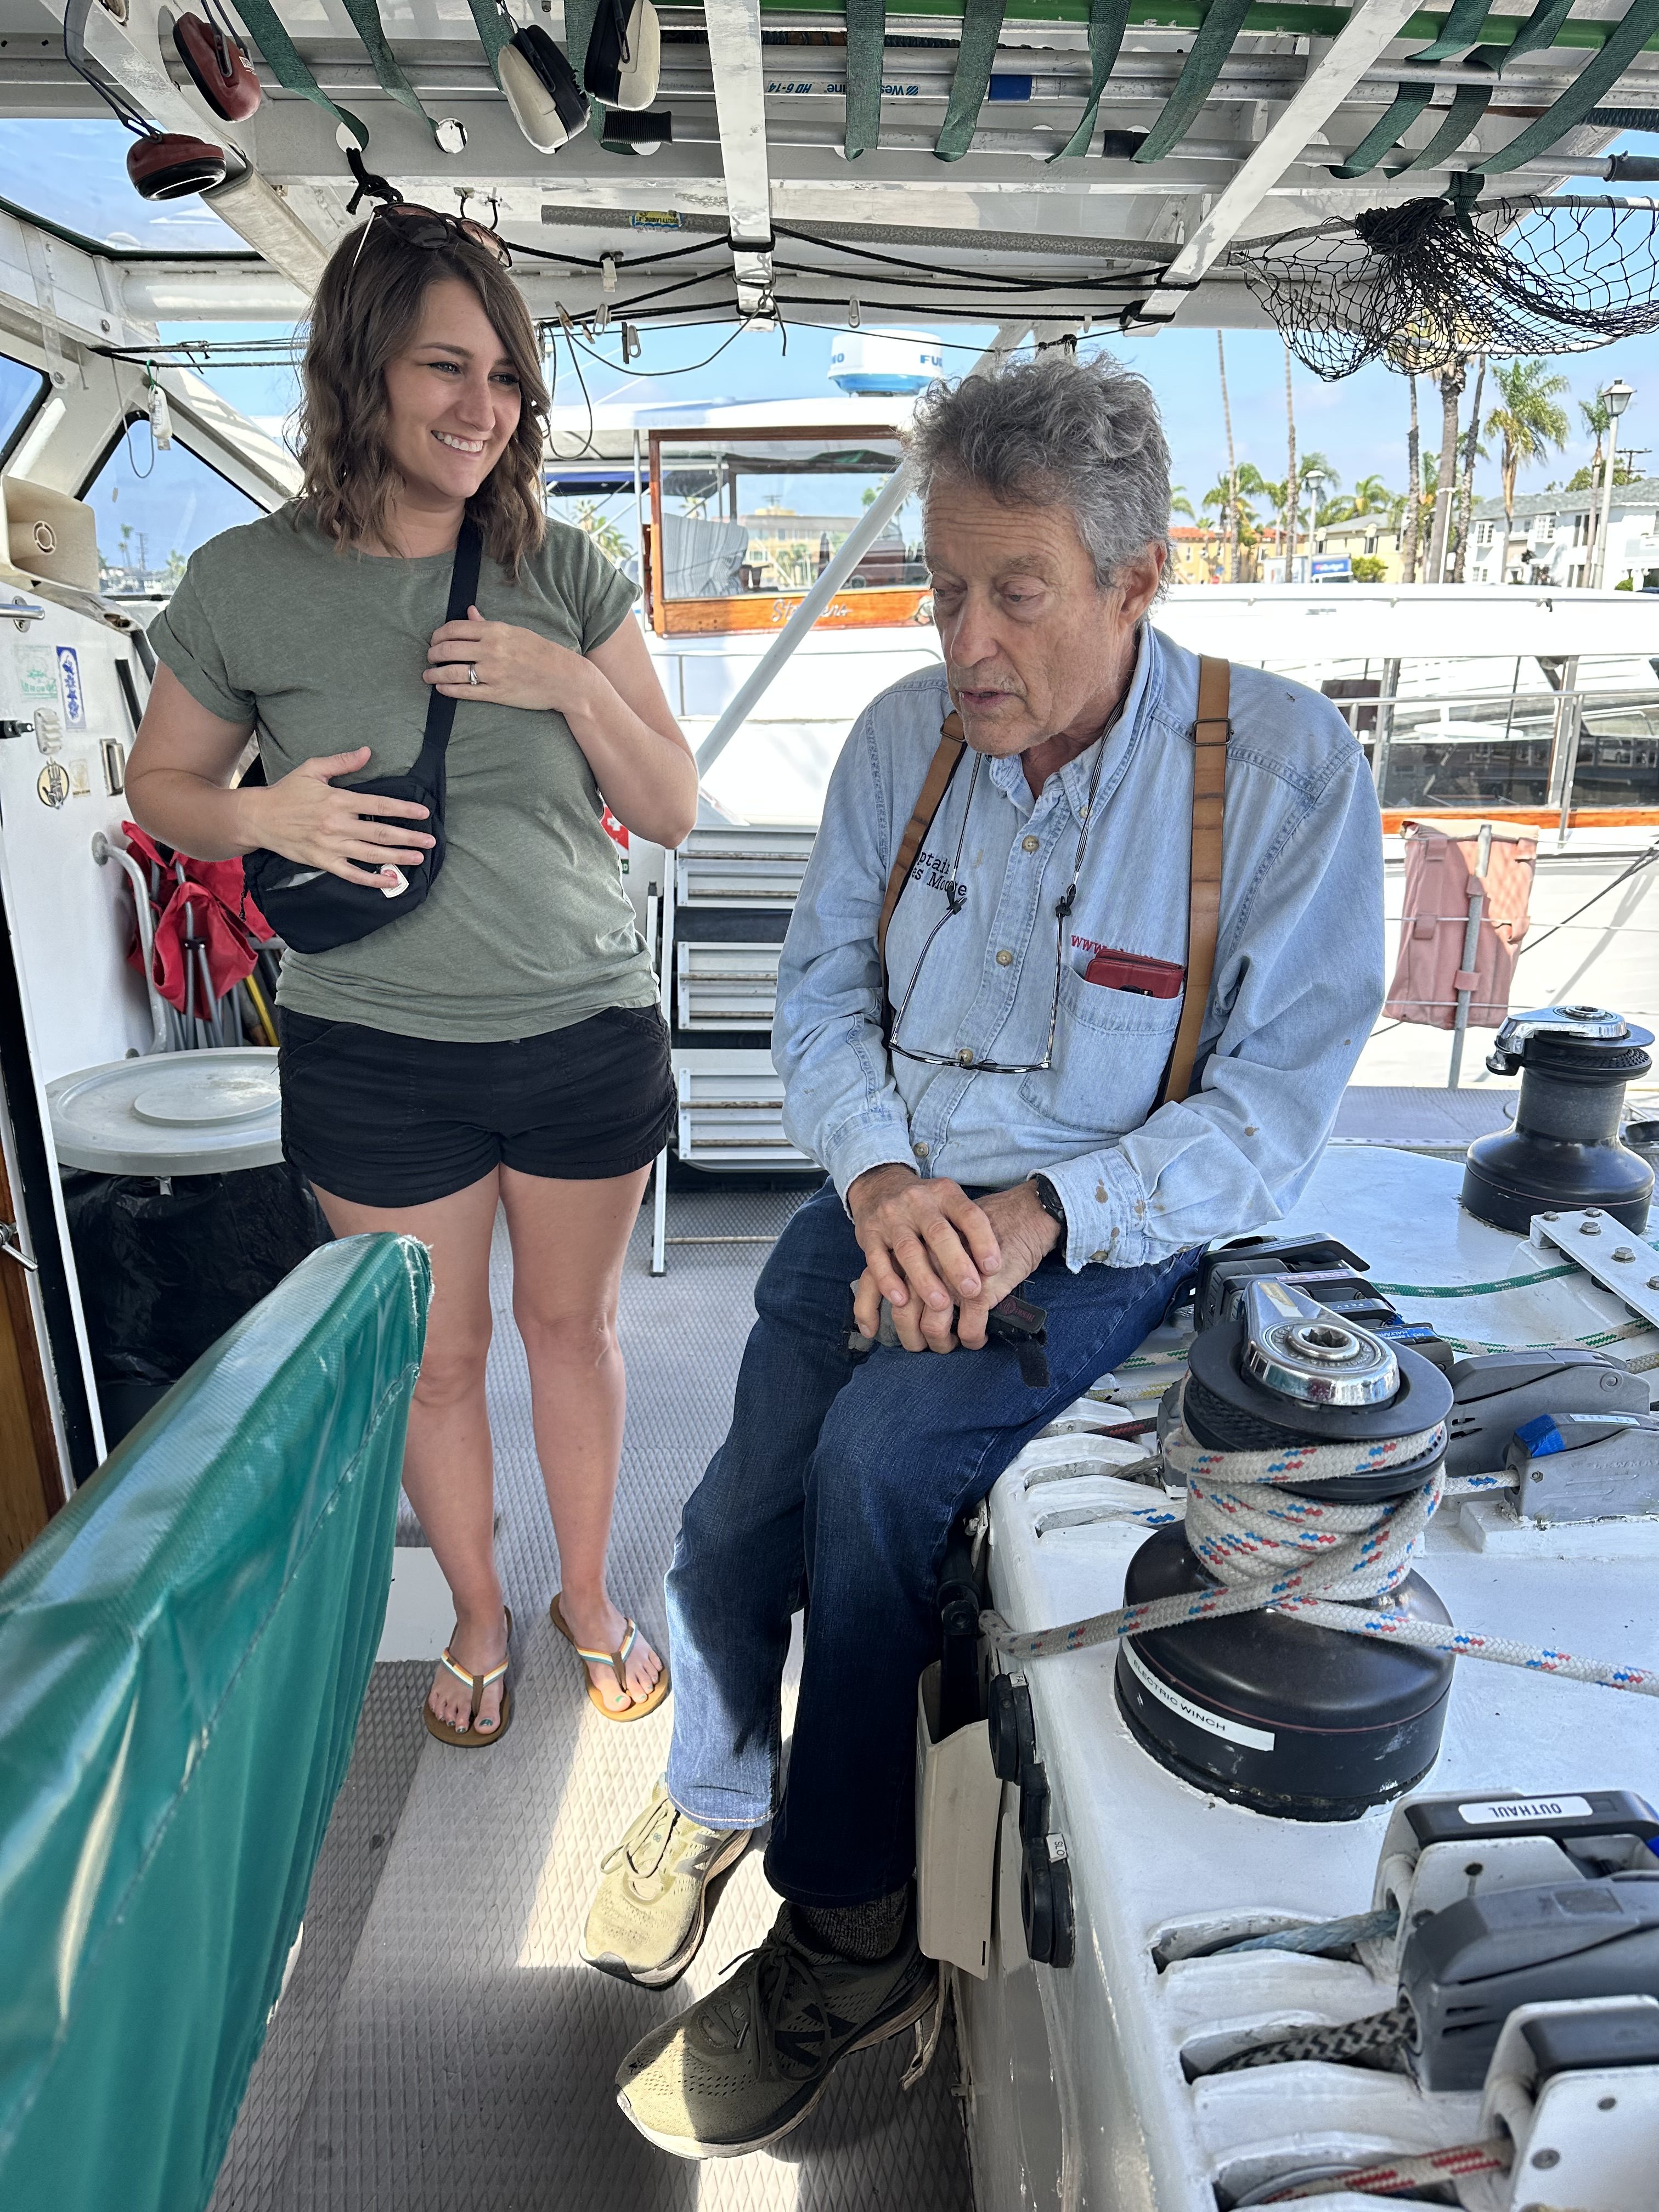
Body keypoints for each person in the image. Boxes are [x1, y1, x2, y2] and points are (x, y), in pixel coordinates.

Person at [583, 349, 1387, 2157]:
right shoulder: (901, 743)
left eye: (1015, 592)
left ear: (1135, 580)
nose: (964, 642)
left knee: (874, 1478)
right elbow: (816, 1000)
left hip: (1097, 1230)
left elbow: (1270, 1114)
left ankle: (851, 1924)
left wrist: (1040, 1216)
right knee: (724, 1524)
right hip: (880, 1197)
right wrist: (877, 1186)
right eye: (945, 588)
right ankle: (716, 1785)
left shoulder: (1284, 774)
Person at [126, 204, 697, 1746]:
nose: (482, 407)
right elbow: (159, 782)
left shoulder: (559, 568)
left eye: (505, 377)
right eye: (447, 367)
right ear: (359, 371)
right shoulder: (247, 581)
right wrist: (265, 812)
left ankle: (586, 1592)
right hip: (375, 1047)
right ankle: (479, 1607)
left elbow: (673, 804)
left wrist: (568, 679)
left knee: (570, 1334)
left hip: (580, 1026)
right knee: (438, 1365)